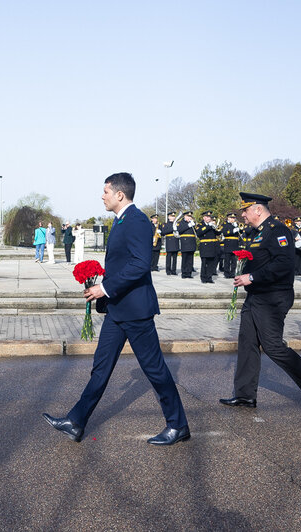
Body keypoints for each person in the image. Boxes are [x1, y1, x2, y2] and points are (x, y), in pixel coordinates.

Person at [43, 172, 190, 445]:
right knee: (100, 368)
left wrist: (105, 289)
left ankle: (178, 425)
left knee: (155, 370)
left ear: (119, 194)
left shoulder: (136, 221)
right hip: (117, 310)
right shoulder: (121, 220)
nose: (102, 196)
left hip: (135, 311)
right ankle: (76, 421)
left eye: (106, 191)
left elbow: (140, 264)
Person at [220, 193, 301, 412]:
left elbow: (283, 264)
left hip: (273, 297)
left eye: (246, 209)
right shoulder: (257, 233)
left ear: (258, 210)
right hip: (256, 297)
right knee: (247, 343)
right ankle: (244, 395)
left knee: (273, 346)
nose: (243, 214)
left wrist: (252, 277)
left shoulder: (278, 230)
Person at [196, 210, 221, 284]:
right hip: (205, 246)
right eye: (207, 217)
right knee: (204, 263)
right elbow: (199, 233)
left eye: (209, 217)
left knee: (211, 263)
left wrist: (215, 227)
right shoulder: (200, 225)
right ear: (204, 217)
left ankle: (209, 277)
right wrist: (208, 226)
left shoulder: (212, 224)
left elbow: (219, 232)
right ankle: (203, 278)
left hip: (212, 246)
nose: (208, 218)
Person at [177, 211, 197, 278]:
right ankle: (184, 273)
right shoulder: (181, 223)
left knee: (190, 260)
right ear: (185, 216)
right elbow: (179, 230)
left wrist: (193, 225)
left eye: (190, 216)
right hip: (185, 243)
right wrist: (188, 226)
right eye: (188, 216)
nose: (189, 218)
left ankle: (189, 273)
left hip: (192, 243)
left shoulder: (193, 223)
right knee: (185, 259)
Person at [221, 213, 240, 278]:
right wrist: (233, 230)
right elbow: (225, 232)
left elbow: (240, 233)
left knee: (234, 261)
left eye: (234, 218)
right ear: (228, 218)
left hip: (235, 244)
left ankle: (232, 273)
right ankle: (226, 273)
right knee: (227, 260)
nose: (233, 219)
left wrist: (238, 228)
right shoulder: (225, 224)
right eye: (231, 218)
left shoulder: (236, 224)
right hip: (228, 244)